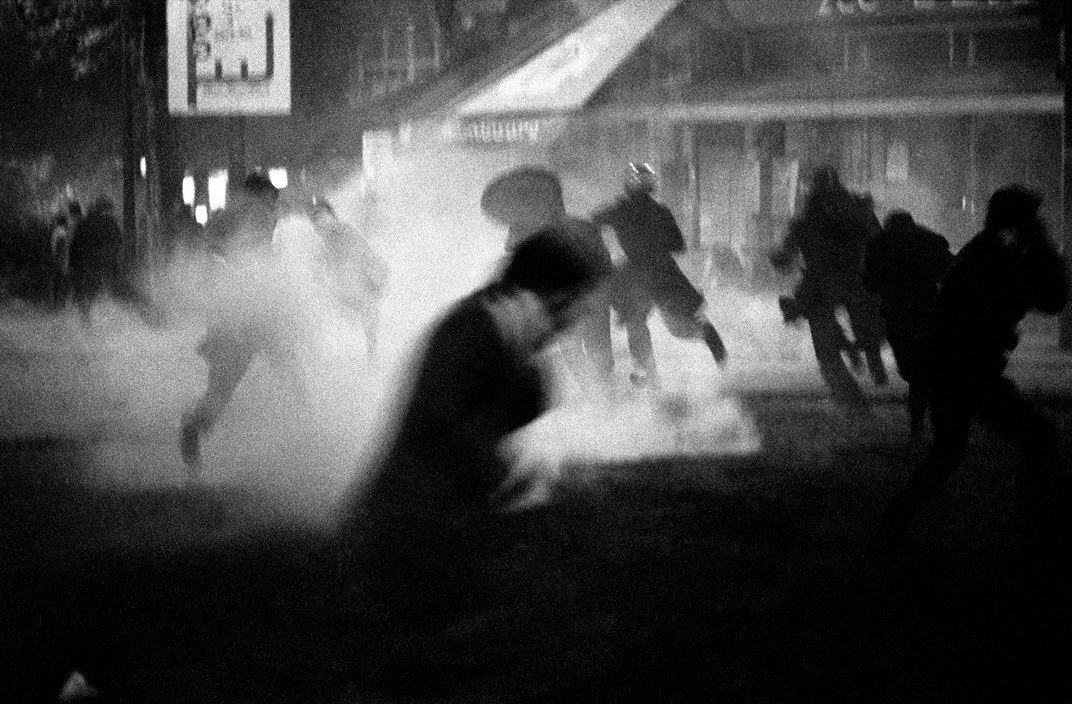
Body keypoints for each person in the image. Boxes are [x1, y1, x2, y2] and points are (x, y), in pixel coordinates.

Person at [337, 229, 614, 699]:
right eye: (569, 307)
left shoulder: (503, 334)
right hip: (408, 531)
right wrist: (505, 477)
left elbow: (497, 410)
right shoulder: (475, 330)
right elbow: (438, 416)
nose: (570, 324)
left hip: (429, 530)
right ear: (545, 297)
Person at [879, 185, 1068, 543]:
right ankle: (1031, 528)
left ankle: (894, 522)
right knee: (1036, 436)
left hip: (956, 367)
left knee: (948, 452)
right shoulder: (994, 258)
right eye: (1030, 218)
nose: (1035, 223)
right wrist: (1042, 247)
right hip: (964, 369)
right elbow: (1053, 297)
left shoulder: (987, 252)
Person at [180, 172, 286, 474]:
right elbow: (257, 258)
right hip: (257, 312)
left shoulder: (222, 217)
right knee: (291, 371)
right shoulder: (261, 213)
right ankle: (312, 443)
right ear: (262, 194)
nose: (274, 203)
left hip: (230, 315)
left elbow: (208, 258)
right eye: (271, 196)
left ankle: (195, 425)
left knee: (221, 388)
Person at [592, 162, 727, 387]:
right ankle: (716, 349)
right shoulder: (660, 211)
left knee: (636, 321)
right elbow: (679, 245)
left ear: (628, 185)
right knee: (678, 327)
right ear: (651, 186)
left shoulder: (619, 210)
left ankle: (648, 371)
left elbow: (592, 223)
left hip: (637, 274)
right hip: (663, 272)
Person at [482, 166, 614, 389]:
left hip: (579, 300)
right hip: (579, 300)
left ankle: (597, 393)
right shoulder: (575, 228)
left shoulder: (529, 232)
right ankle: (597, 393)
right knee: (585, 348)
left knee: (581, 347)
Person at [771, 166, 886, 413]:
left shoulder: (807, 220)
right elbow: (880, 243)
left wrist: (777, 257)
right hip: (857, 283)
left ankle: (853, 401)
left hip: (820, 286)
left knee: (826, 352)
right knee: (866, 328)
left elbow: (784, 259)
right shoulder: (859, 214)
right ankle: (871, 358)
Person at [864, 210, 953, 436]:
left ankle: (918, 420)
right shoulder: (932, 241)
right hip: (929, 310)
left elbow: (870, 282)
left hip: (897, 311)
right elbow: (949, 273)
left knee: (911, 366)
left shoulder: (880, 244)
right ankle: (930, 417)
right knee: (927, 366)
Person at [309, 198, 389, 362]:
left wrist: (376, 271)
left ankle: (371, 354)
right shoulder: (320, 242)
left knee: (368, 314)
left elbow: (365, 252)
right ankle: (357, 354)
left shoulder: (346, 231)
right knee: (351, 317)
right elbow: (318, 266)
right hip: (342, 287)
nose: (321, 223)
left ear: (332, 216)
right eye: (316, 220)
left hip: (359, 282)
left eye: (322, 217)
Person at [67, 196, 160, 325]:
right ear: (106, 209)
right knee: (128, 297)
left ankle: (88, 332)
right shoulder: (109, 223)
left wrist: (74, 271)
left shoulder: (83, 224)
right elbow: (118, 247)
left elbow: (74, 251)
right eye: (111, 209)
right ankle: (153, 318)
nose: (112, 212)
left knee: (87, 307)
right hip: (108, 271)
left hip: (86, 273)